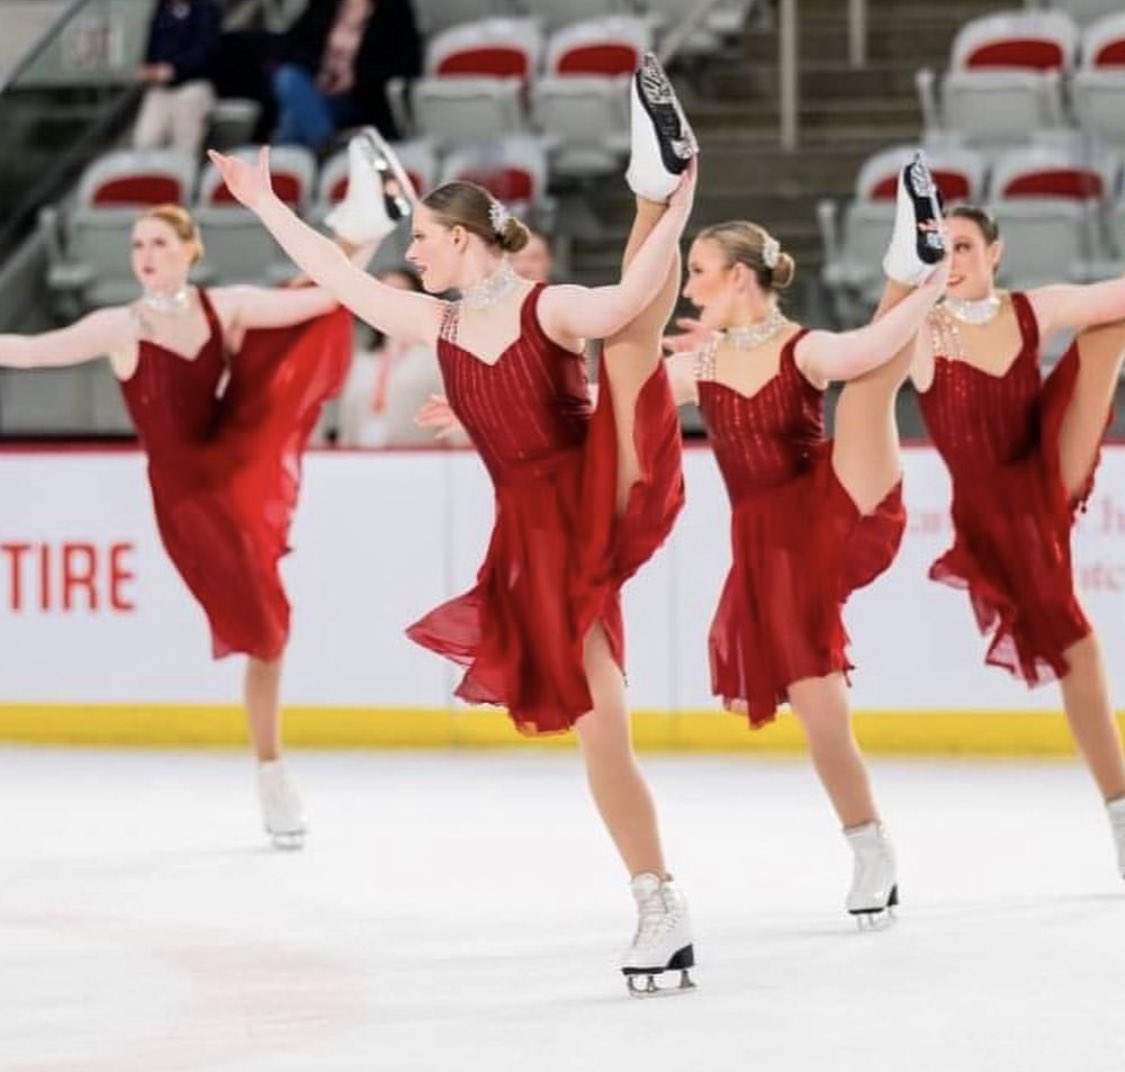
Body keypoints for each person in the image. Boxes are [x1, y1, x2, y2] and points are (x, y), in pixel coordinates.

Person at [209, 53, 702, 994]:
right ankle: (655, 896)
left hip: (589, 495)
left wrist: (677, 207)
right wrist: (266, 202)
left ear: (471, 240)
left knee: (634, 349)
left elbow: (625, 303)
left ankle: (657, 900)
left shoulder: (543, 306)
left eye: (428, 238)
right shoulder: (438, 328)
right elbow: (336, 280)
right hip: (526, 541)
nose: (415, 254)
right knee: (600, 728)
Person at [0, 133, 402, 849]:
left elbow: (324, 299)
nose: (146, 256)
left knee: (308, 309)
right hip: (186, 499)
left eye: (158, 243)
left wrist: (357, 263)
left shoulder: (227, 306)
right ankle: (273, 771)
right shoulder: (118, 325)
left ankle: (271, 773)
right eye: (137, 247)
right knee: (264, 629)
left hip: (235, 464)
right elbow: (29, 351)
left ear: (189, 250)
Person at [658, 156, 949, 926]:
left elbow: (861, 354)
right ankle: (869, 846)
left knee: (865, 389)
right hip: (769, 552)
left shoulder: (804, 348)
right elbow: (604, 401)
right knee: (822, 714)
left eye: (699, 271)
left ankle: (909, 262)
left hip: (836, 506)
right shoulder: (702, 363)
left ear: (742, 279)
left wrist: (921, 293)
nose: (689, 287)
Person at [876, 192, 1125, 881]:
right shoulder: (921, 330)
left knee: (1108, 325)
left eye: (962, 247)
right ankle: (1120, 809)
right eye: (941, 249)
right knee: (1075, 646)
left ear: (993, 253)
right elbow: (867, 351)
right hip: (992, 512)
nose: (950, 261)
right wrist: (905, 271)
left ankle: (1119, 811)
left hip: (1044, 465)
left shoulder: (1029, 308)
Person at [271, 0, 422, 149]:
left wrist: (354, 78)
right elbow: (292, 44)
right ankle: (324, 144)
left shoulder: (394, 9)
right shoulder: (324, 4)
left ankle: (298, 155)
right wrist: (321, 72)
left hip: (364, 97)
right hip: (320, 90)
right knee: (289, 77)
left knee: (293, 120)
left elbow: (408, 63)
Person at [132, 0, 222, 158]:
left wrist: (175, 68)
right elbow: (152, 47)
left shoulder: (205, 10)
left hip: (191, 86)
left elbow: (205, 49)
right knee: (144, 141)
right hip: (160, 89)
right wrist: (148, 68)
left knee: (184, 149)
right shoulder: (161, 10)